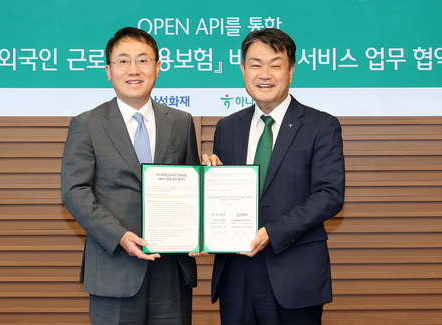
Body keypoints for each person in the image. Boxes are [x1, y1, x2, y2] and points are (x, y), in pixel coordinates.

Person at [203, 28, 345, 324]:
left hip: (294, 276)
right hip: (236, 277)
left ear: (291, 71)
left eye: (275, 65)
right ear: (243, 69)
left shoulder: (320, 125)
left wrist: (272, 232)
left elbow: (330, 196)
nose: (264, 74)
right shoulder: (227, 127)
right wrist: (207, 184)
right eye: (255, 65)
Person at [61, 27, 200, 325]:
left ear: (158, 67)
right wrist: (120, 236)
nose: (133, 70)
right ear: (108, 71)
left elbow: (192, 187)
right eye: (123, 61)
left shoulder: (180, 122)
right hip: (115, 270)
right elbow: (75, 191)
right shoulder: (87, 124)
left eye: (143, 60)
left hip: (172, 274)